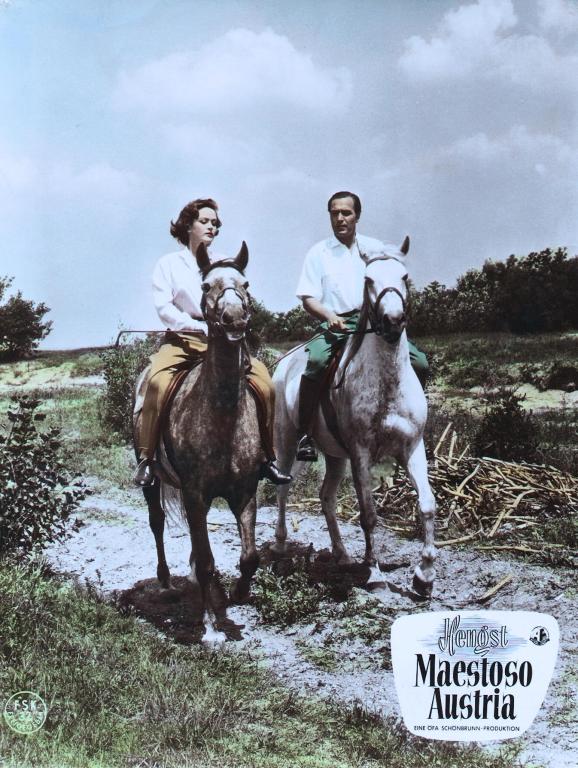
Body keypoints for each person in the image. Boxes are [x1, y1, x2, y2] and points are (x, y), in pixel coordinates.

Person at [134, 198, 291, 486]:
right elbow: (164, 307)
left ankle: (268, 457)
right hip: (184, 341)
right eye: (204, 221)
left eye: (215, 223)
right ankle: (148, 459)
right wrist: (195, 325)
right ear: (187, 225)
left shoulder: (224, 265)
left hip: (224, 344)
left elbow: (238, 298)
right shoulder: (168, 264)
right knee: (156, 382)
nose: (211, 226)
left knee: (265, 384)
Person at [294, 190, 429, 461]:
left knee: (420, 362)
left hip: (374, 324)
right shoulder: (318, 253)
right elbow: (308, 299)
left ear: (357, 216)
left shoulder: (376, 248)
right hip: (337, 323)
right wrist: (329, 315)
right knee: (317, 362)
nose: (340, 219)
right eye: (335, 213)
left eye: (347, 213)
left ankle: (415, 428)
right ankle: (305, 434)